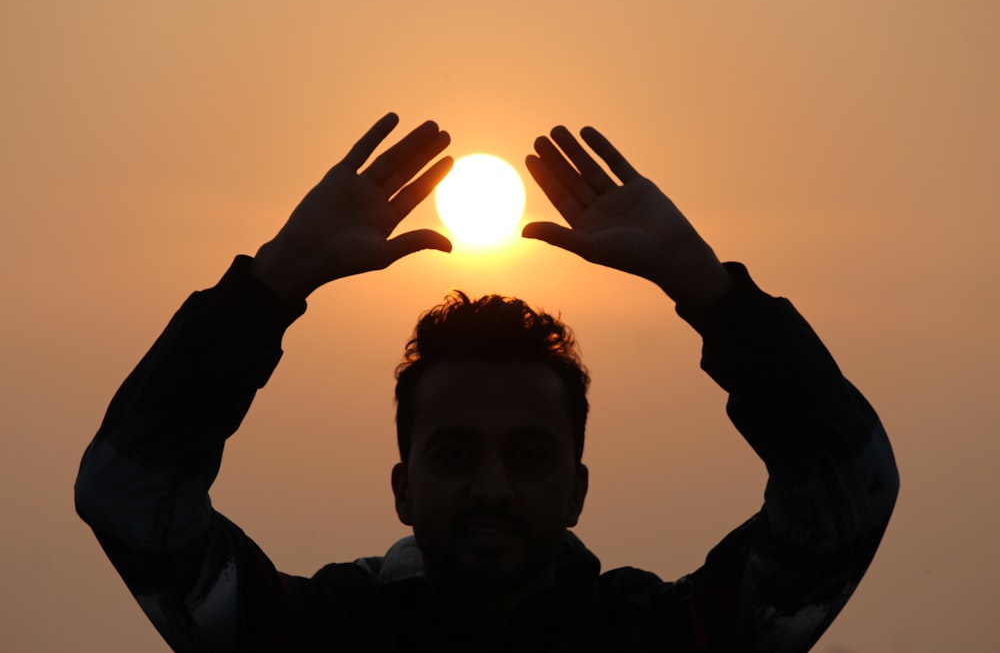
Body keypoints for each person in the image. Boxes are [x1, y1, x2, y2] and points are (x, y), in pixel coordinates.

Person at [75, 113, 899, 652]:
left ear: (578, 489)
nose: (492, 487)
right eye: (456, 453)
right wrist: (274, 281)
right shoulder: (311, 635)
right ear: (403, 485)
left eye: (530, 455)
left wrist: (708, 289)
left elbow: (848, 498)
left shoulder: (663, 636)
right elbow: (127, 492)